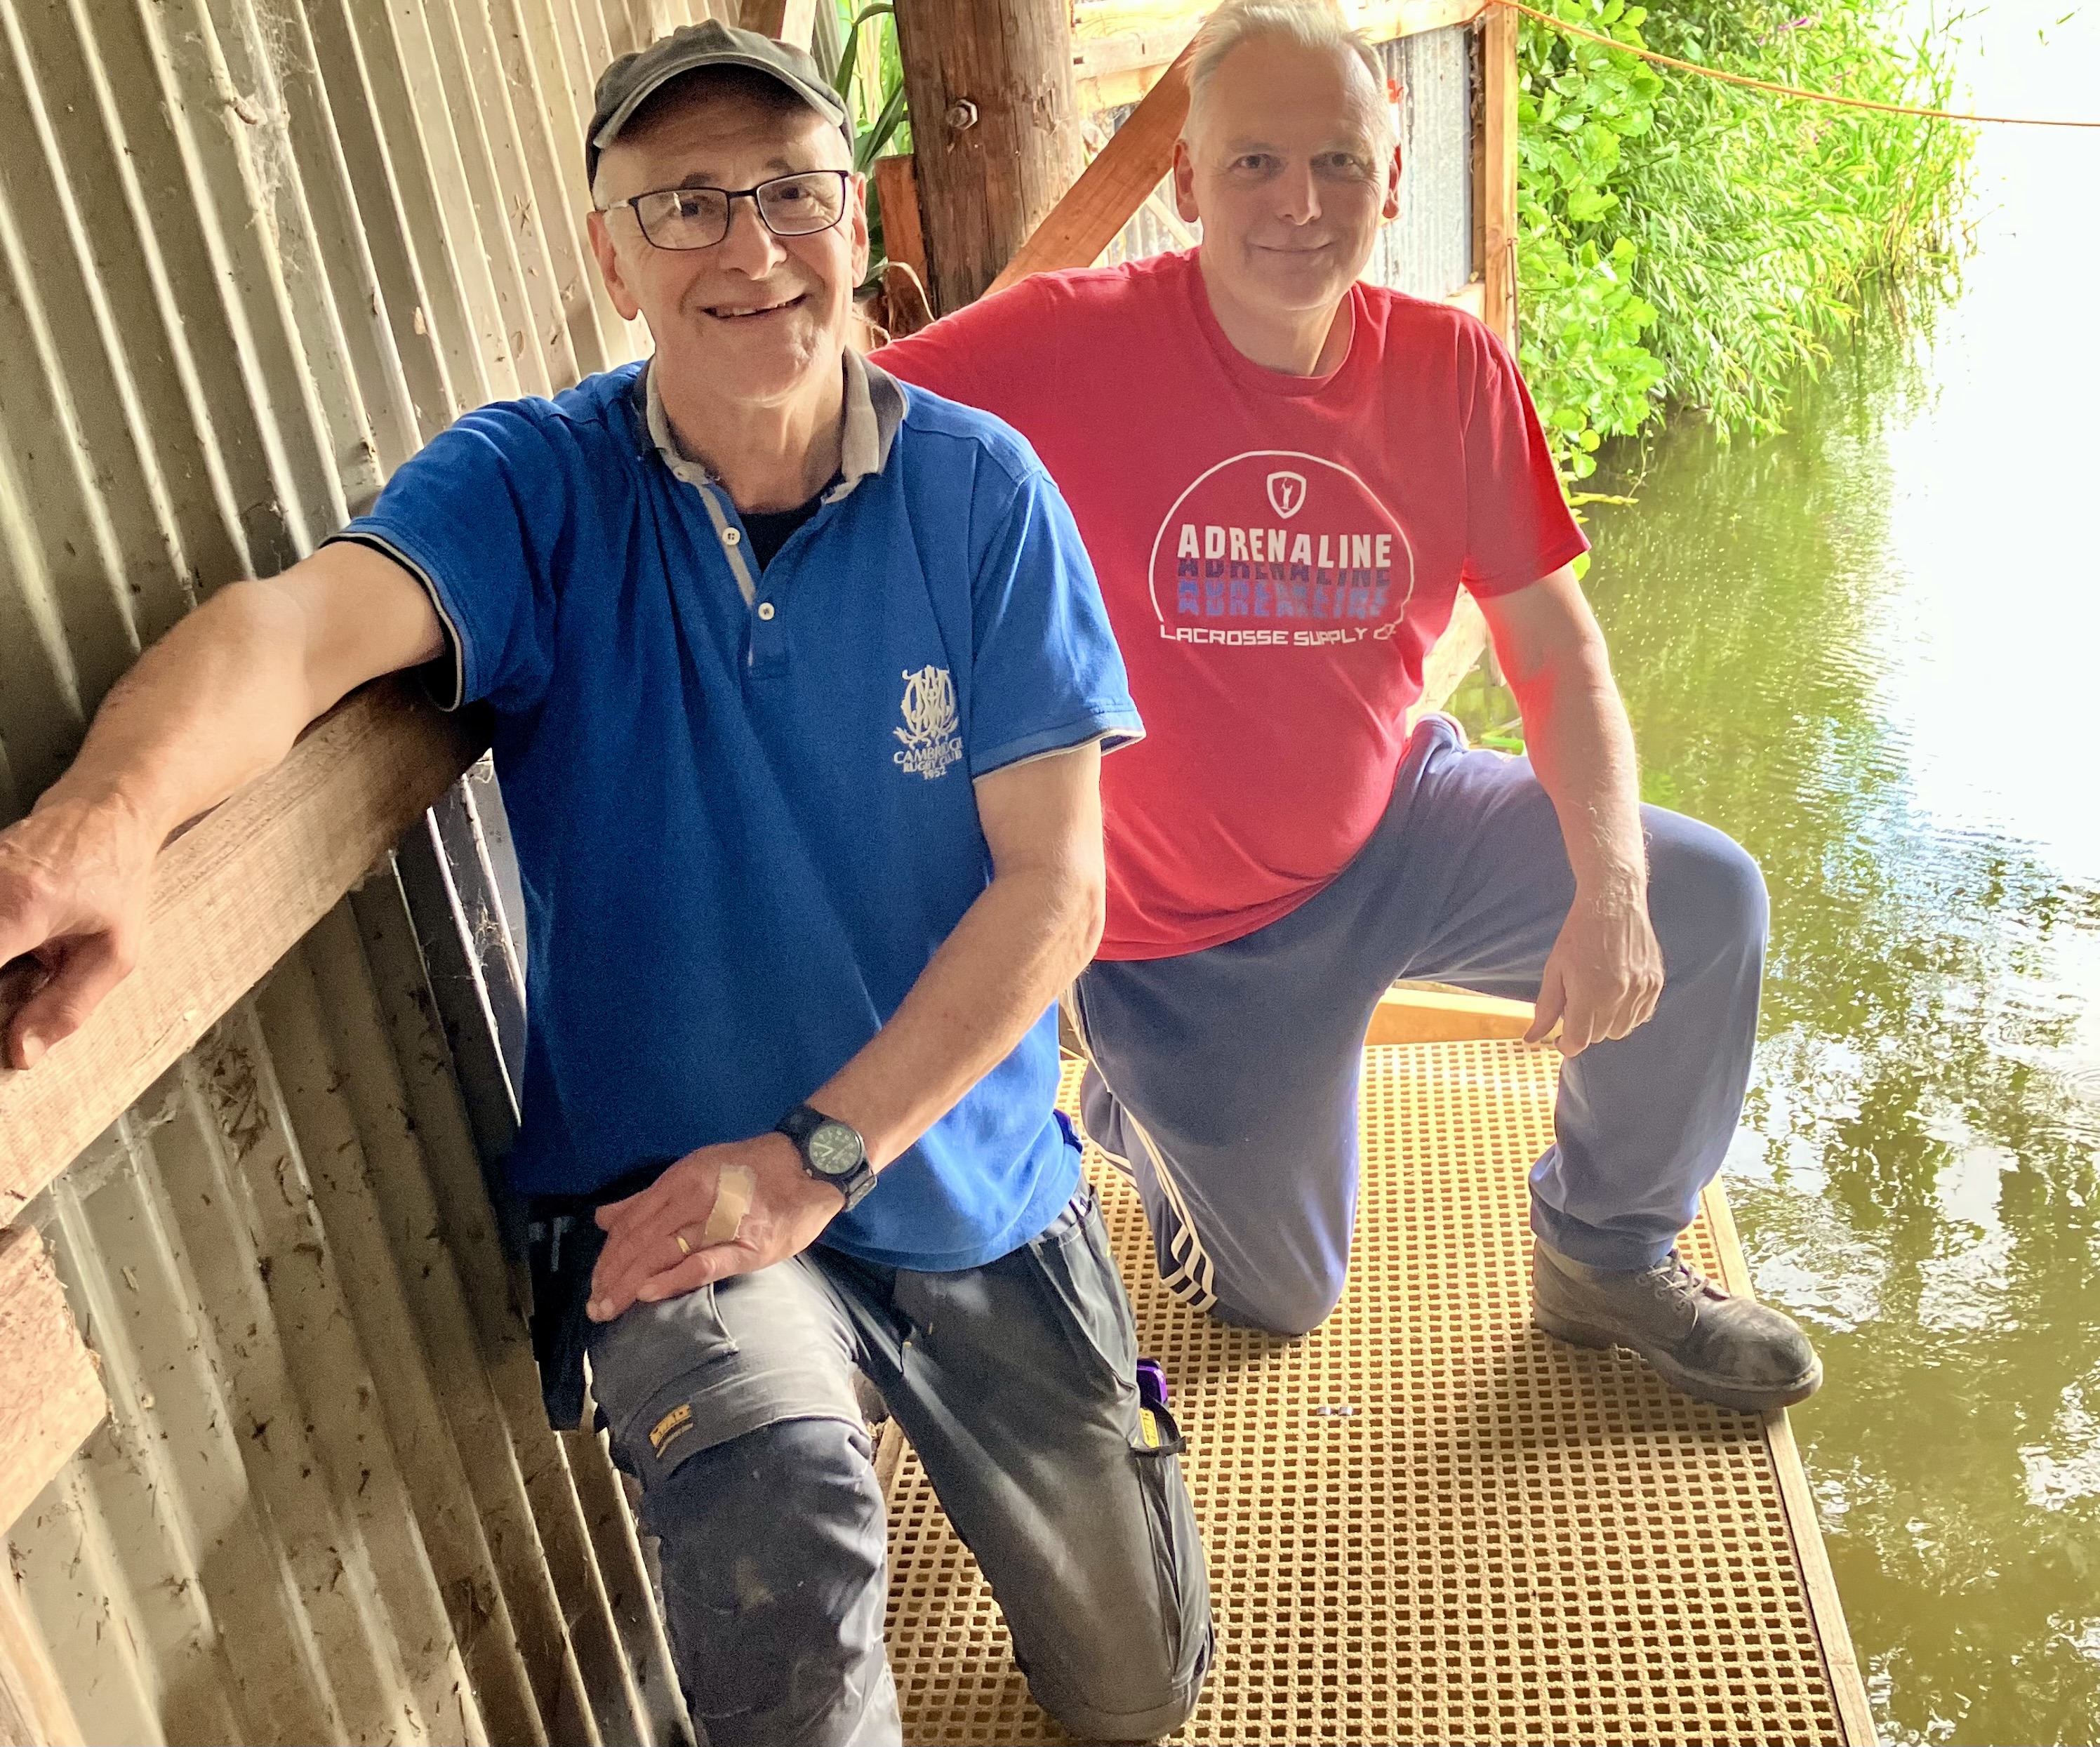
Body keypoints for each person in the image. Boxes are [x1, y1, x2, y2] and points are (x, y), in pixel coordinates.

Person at [0, 23, 1211, 1745]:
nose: (749, 246)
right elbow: (291, 630)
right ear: (608, 258)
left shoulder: (979, 495)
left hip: (960, 1172)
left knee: (1135, 1689)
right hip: (679, 1199)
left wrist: (818, 1159)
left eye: (790, 192)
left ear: (855, 220)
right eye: (685, 204)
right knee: (780, 1540)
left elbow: (1053, 896)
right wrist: (107, 822)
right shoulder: (533, 486)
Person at [873, 0, 1821, 1414]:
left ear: (1391, 179)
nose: (1299, 204)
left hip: (1399, 817)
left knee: (1703, 903)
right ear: (1186, 185)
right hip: (1186, 938)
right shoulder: (1057, 347)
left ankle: (1607, 1255)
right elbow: (816, 418)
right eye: (1253, 163)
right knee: (1280, 1296)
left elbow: (1554, 652)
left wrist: (1610, 887)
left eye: (1336, 163)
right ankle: (1128, 1103)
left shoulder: (1451, 368)